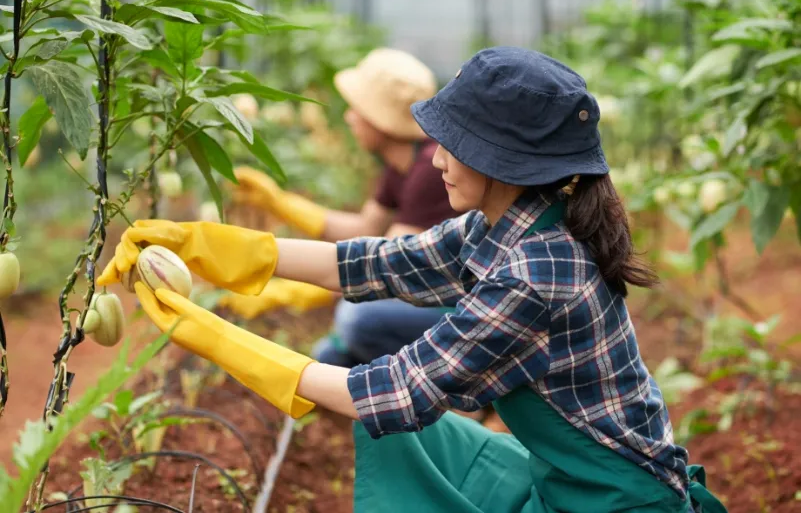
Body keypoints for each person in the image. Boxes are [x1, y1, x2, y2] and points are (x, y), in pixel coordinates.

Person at [98, 47, 727, 513]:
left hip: (615, 502)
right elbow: (372, 263)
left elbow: (393, 391)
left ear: (503, 161)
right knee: (409, 443)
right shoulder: (506, 223)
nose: (438, 158)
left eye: (453, 144)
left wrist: (207, 333)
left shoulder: (535, 275)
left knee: (392, 418)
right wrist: (203, 245)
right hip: (570, 480)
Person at [221, 47, 461, 370]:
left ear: (380, 120)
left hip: (457, 309)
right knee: (329, 357)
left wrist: (289, 292)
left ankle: (451, 392)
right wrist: (279, 202)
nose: (349, 117)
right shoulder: (402, 166)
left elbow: (385, 268)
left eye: (357, 109)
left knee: (357, 318)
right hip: (427, 301)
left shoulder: (429, 170)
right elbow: (363, 228)